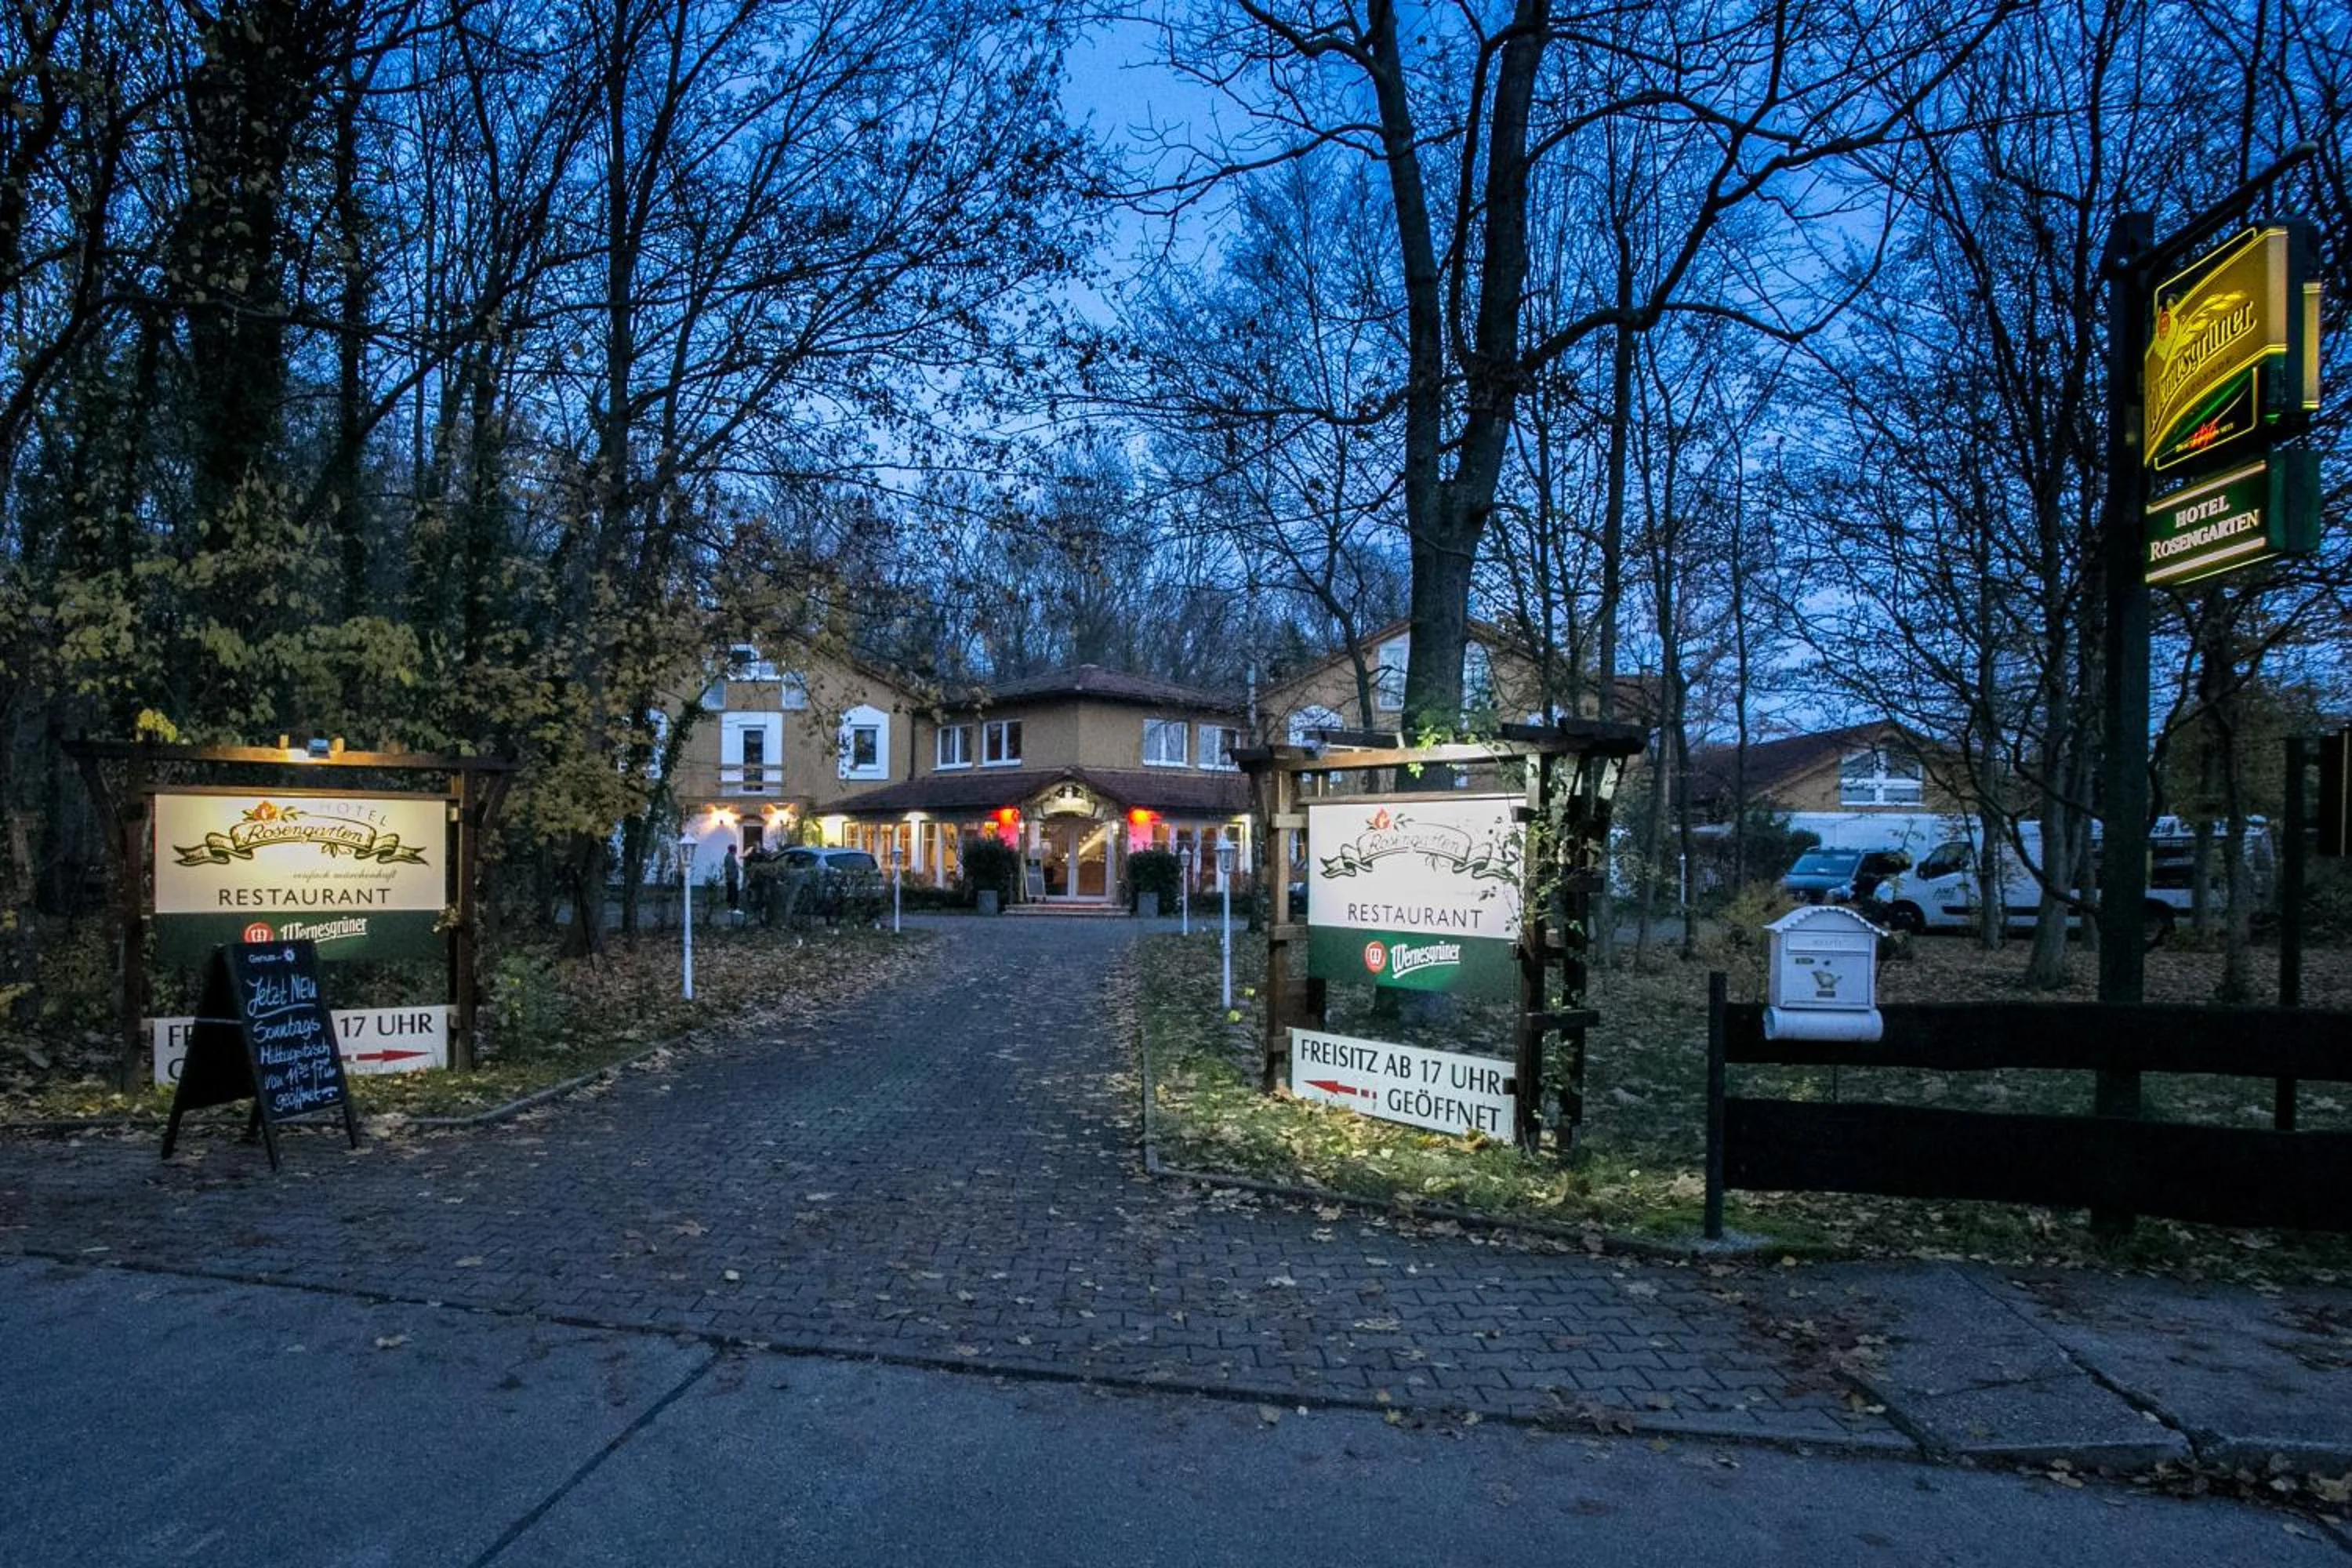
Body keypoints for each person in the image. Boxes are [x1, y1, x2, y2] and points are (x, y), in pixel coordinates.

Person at [723, 844, 740, 912]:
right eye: (736, 849)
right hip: (732, 879)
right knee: (733, 893)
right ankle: (733, 908)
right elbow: (730, 869)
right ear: (734, 850)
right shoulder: (730, 857)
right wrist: (733, 878)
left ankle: (731, 907)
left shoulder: (729, 856)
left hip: (730, 878)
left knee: (731, 893)